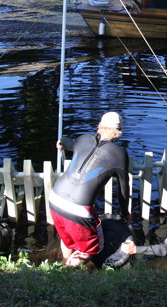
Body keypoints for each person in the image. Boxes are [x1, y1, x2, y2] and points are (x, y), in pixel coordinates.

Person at [49, 112, 132, 266]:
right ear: (119, 131)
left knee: (68, 241)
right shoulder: (119, 154)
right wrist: (125, 213)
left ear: (100, 125)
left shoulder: (83, 139)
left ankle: (63, 264)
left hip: (55, 199)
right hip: (78, 209)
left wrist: (60, 142)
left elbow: (66, 142)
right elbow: (123, 190)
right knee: (92, 248)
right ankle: (68, 271)